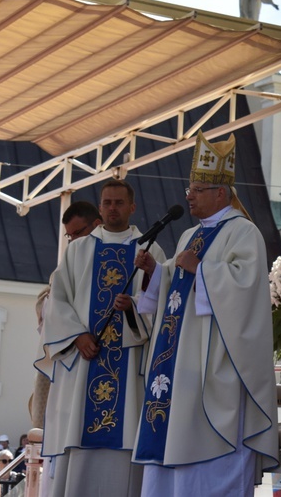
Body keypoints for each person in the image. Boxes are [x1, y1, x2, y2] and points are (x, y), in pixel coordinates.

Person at [131, 131, 278, 496]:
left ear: (220, 194)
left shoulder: (244, 233)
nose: (188, 195)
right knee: (173, 440)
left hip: (216, 370)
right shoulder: (187, 236)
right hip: (179, 366)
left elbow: (245, 292)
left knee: (209, 455)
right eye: (189, 189)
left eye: (197, 189)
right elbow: (174, 286)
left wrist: (202, 269)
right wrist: (155, 272)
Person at [36, 179, 166, 497]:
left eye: (119, 202)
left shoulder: (150, 249)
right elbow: (56, 301)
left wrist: (134, 308)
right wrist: (78, 335)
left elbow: (163, 303)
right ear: (100, 208)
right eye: (106, 202)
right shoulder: (78, 249)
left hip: (130, 370)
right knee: (79, 434)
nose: (112, 208)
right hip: (84, 364)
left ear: (132, 207)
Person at [30, 201, 103, 431]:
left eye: (78, 233)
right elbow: (47, 301)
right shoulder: (71, 259)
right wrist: (75, 332)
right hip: (71, 355)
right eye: (69, 236)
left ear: (97, 225)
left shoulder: (121, 253)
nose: (72, 241)